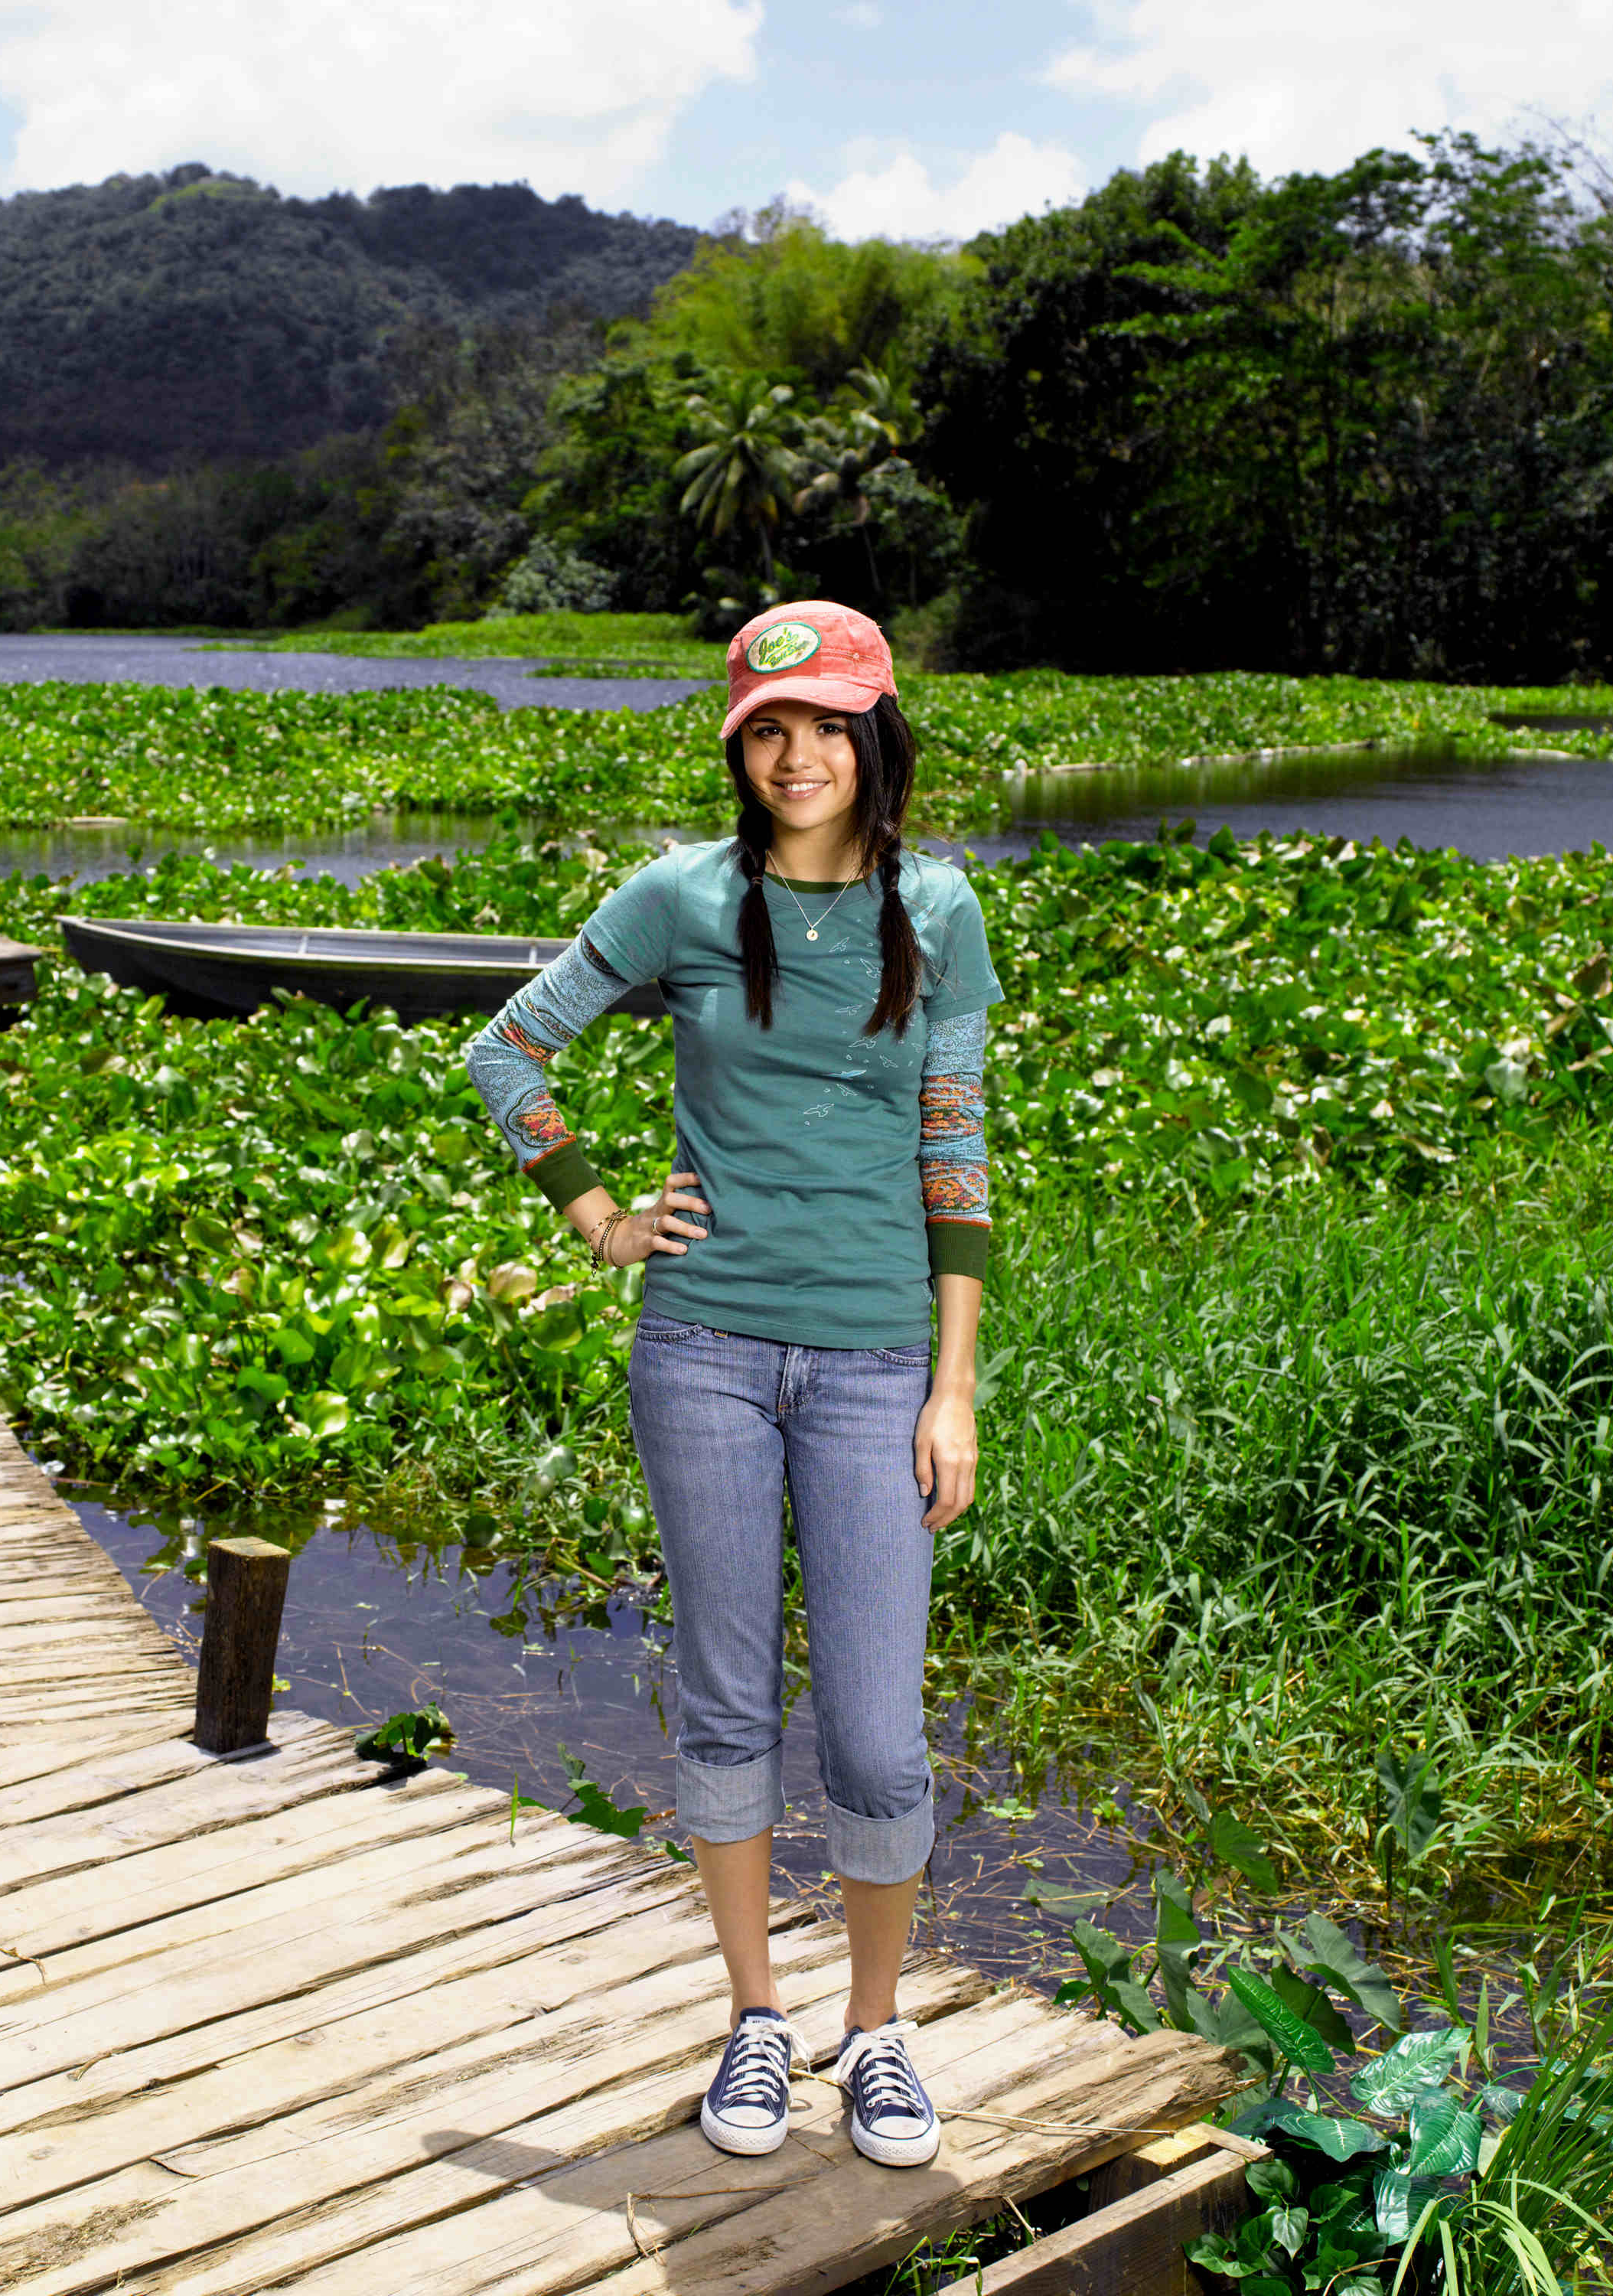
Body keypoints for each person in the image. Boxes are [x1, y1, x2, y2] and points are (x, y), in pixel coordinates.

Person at [462, 598, 995, 2170]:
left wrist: (952, 1386)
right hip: (697, 1346)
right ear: (738, 748)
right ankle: (754, 2022)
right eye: (767, 728)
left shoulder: (937, 910)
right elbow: (505, 1050)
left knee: (878, 1735)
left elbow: (951, 1153)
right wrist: (597, 1212)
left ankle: (875, 2030)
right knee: (719, 1702)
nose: (796, 753)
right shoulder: (681, 898)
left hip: (872, 1359)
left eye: (826, 723)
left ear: (874, 735)